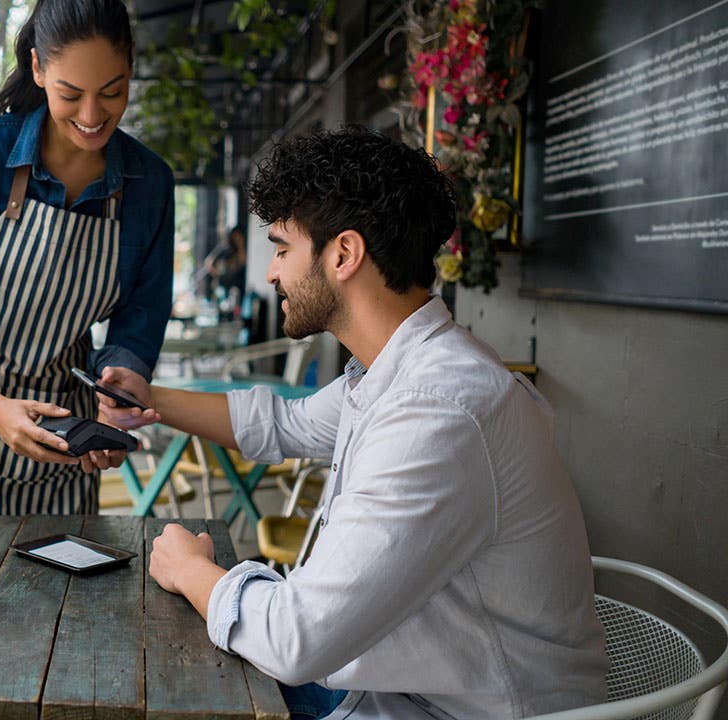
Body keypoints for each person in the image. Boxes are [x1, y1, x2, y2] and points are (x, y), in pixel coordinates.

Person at [97, 127, 608, 719]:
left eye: (283, 248)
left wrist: (192, 571)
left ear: (343, 254)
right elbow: (282, 423)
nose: (271, 273)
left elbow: (297, 638)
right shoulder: (403, 369)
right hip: (398, 684)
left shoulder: (439, 410)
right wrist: (147, 396)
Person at [0, 0, 174, 514]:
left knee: (63, 588)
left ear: (132, 65)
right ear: (37, 68)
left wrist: (119, 394)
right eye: (70, 95)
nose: (93, 117)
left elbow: (141, 314)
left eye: (112, 92)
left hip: (65, 441)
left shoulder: (150, 183)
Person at [203, 224, 247, 301]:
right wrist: (218, 275)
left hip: (238, 286)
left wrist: (240, 245)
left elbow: (242, 262)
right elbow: (209, 262)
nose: (237, 238)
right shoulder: (226, 249)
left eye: (239, 236)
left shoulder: (243, 250)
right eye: (235, 236)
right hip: (223, 286)